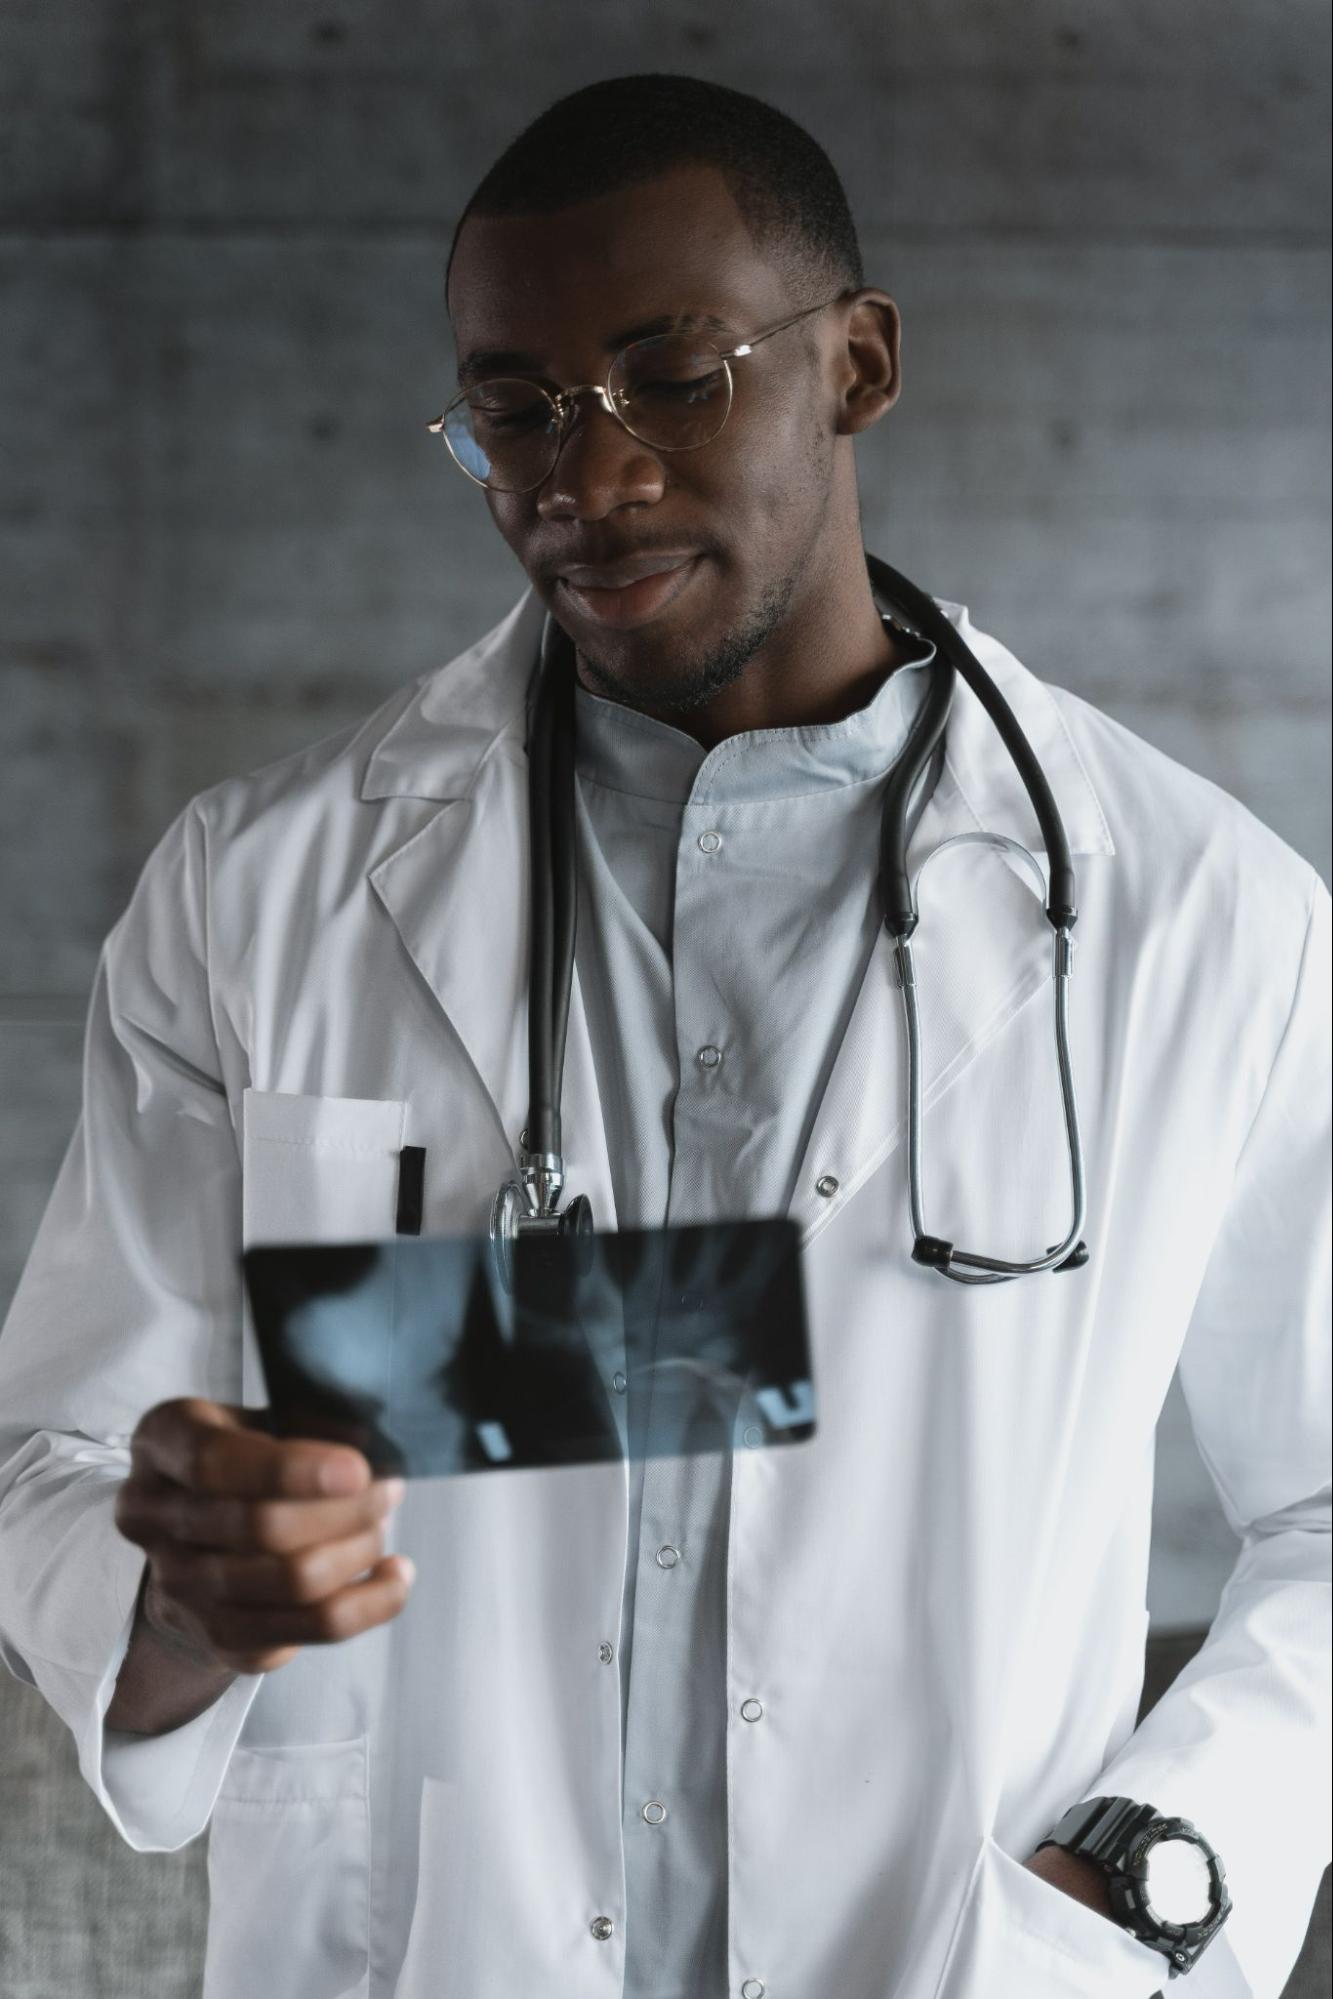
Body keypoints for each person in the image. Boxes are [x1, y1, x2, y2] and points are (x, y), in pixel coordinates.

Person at [0, 71, 1327, 1999]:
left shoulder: (1202, 915)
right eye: (515, 408)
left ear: (855, 364)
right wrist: (188, 1604)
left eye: (670, 376)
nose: (579, 476)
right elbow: (55, 1449)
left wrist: (1149, 1875)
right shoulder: (256, 893)